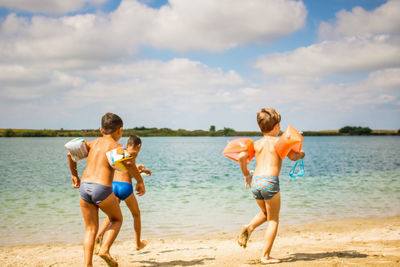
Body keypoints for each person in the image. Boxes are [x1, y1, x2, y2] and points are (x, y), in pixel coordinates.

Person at [67, 113, 145, 267]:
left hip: (84, 188)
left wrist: (74, 175)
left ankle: (87, 264)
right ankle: (105, 249)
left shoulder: (92, 143)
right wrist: (140, 181)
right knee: (117, 219)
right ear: (120, 131)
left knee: (90, 229)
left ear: (101, 130)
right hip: (101, 188)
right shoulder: (116, 147)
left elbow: (70, 154)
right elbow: (129, 164)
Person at [236, 108, 305, 264]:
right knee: (273, 220)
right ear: (277, 127)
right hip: (270, 182)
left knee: (266, 214)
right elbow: (294, 157)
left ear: (260, 127)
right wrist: (301, 154)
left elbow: (241, 156)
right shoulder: (280, 143)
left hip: (256, 182)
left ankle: (249, 227)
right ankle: (265, 256)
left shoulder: (256, 144)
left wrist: (246, 174)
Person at [95, 135, 151, 253]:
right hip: (125, 187)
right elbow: (130, 168)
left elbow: (125, 168)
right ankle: (138, 243)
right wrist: (140, 179)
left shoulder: (121, 152)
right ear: (139, 146)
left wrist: (140, 170)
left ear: (126, 144)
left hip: (113, 185)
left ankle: (100, 234)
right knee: (136, 214)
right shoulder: (134, 154)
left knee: (112, 216)